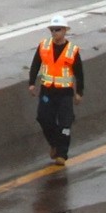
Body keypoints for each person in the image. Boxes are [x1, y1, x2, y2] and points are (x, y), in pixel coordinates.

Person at [28, 14, 84, 166]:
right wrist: (32, 83)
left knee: (65, 124)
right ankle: (54, 143)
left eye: (57, 30)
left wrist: (79, 93)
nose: (54, 33)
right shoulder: (44, 46)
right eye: (52, 30)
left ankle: (62, 154)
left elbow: (79, 73)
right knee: (43, 118)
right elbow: (35, 65)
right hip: (47, 91)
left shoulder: (72, 50)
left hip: (64, 93)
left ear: (65, 31)